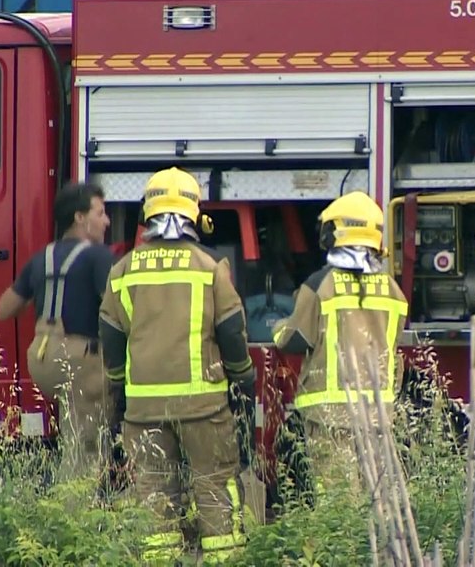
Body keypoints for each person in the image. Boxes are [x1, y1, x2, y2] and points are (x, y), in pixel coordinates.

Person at [99, 167, 254, 564]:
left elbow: (112, 340)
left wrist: (119, 390)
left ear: (144, 215)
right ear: (195, 214)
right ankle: (225, 561)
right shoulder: (210, 268)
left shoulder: (122, 272)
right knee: (215, 485)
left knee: (153, 494)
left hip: (143, 409)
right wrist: (243, 379)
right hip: (204, 408)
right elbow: (232, 334)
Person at [272, 191, 408, 492]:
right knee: (379, 498)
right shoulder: (393, 290)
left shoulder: (320, 284)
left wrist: (278, 327)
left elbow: (293, 340)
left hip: (330, 415)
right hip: (378, 414)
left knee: (339, 502)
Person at [0, 182, 115, 482]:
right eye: (100, 213)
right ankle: (77, 516)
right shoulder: (98, 257)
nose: (107, 221)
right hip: (80, 358)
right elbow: (117, 307)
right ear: (79, 217)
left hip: (42, 356)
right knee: (86, 449)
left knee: (71, 426)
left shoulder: (42, 257)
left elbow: (4, 309)